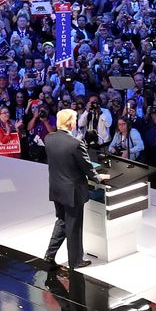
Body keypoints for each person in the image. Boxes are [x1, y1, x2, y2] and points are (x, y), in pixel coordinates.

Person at [43, 109, 108, 269]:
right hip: (72, 193)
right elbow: (87, 168)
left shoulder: (49, 138)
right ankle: (76, 261)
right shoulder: (75, 144)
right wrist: (99, 178)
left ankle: (49, 255)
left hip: (56, 189)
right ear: (71, 123)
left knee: (62, 221)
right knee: (74, 227)